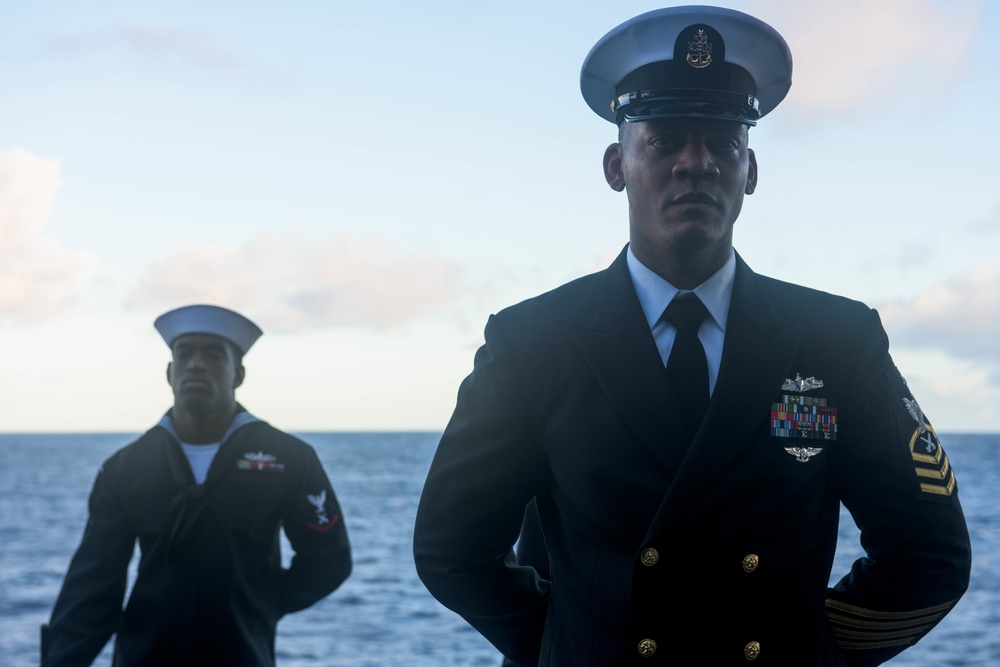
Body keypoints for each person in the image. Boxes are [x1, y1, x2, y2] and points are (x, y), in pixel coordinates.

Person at [413, 6, 971, 666]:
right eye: (667, 139)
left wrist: (808, 648)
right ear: (616, 164)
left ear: (751, 171)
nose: (695, 163)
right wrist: (571, 644)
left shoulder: (836, 340)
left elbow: (930, 553)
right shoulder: (533, 343)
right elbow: (451, 549)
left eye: (723, 143)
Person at [43, 305, 352, 667]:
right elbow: (93, 583)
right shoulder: (125, 468)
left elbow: (328, 558)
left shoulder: (288, 458)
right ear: (169, 372)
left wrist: (261, 602)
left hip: (242, 657)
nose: (196, 364)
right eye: (184, 353)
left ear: (239, 373)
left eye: (214, 355)